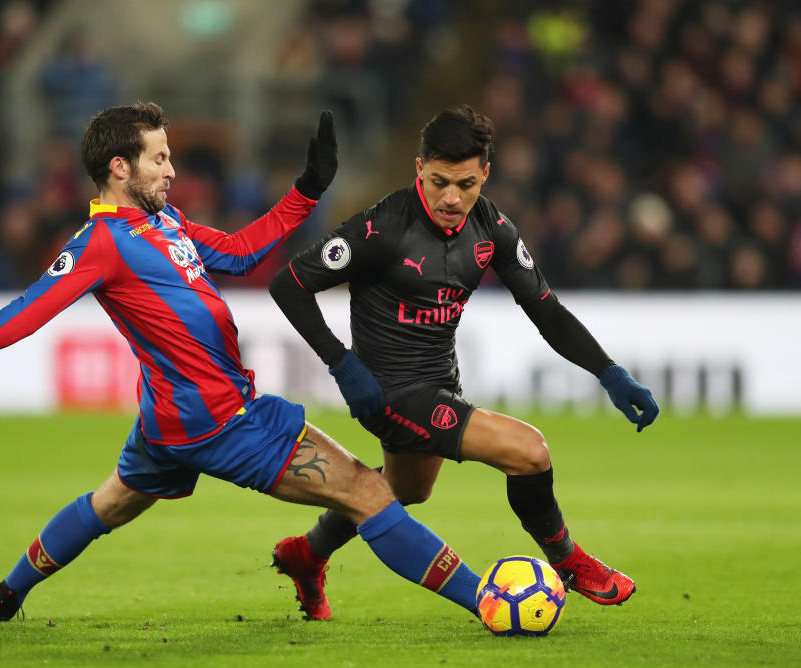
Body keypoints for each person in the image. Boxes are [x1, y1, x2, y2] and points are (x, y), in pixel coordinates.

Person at [0, 102, 492, 623]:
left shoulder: (166, 222)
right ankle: (490, 602)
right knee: (368, 491)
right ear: (120, 166)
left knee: (108, 504)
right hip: (221, 419)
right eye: (159, 157)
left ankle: (7, 595)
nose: (171, 169)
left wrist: (308, 190)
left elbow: (244, 252)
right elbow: (30, 309)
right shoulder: (99, 244)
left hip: (168, 419)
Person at [268, 105, 660, 620]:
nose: (452, 197)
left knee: (406, 490)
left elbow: (547, 312)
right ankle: (568, 563)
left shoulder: (492, 228)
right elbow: (289, 284)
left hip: (439, 381)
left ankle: (309, 552)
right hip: (386, 390)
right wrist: (343, 365)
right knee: (529, 451)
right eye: (439, 182)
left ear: (485, 175)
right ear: (419, 169)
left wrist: (610, 373)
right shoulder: (382, 226)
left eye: (466, 184)